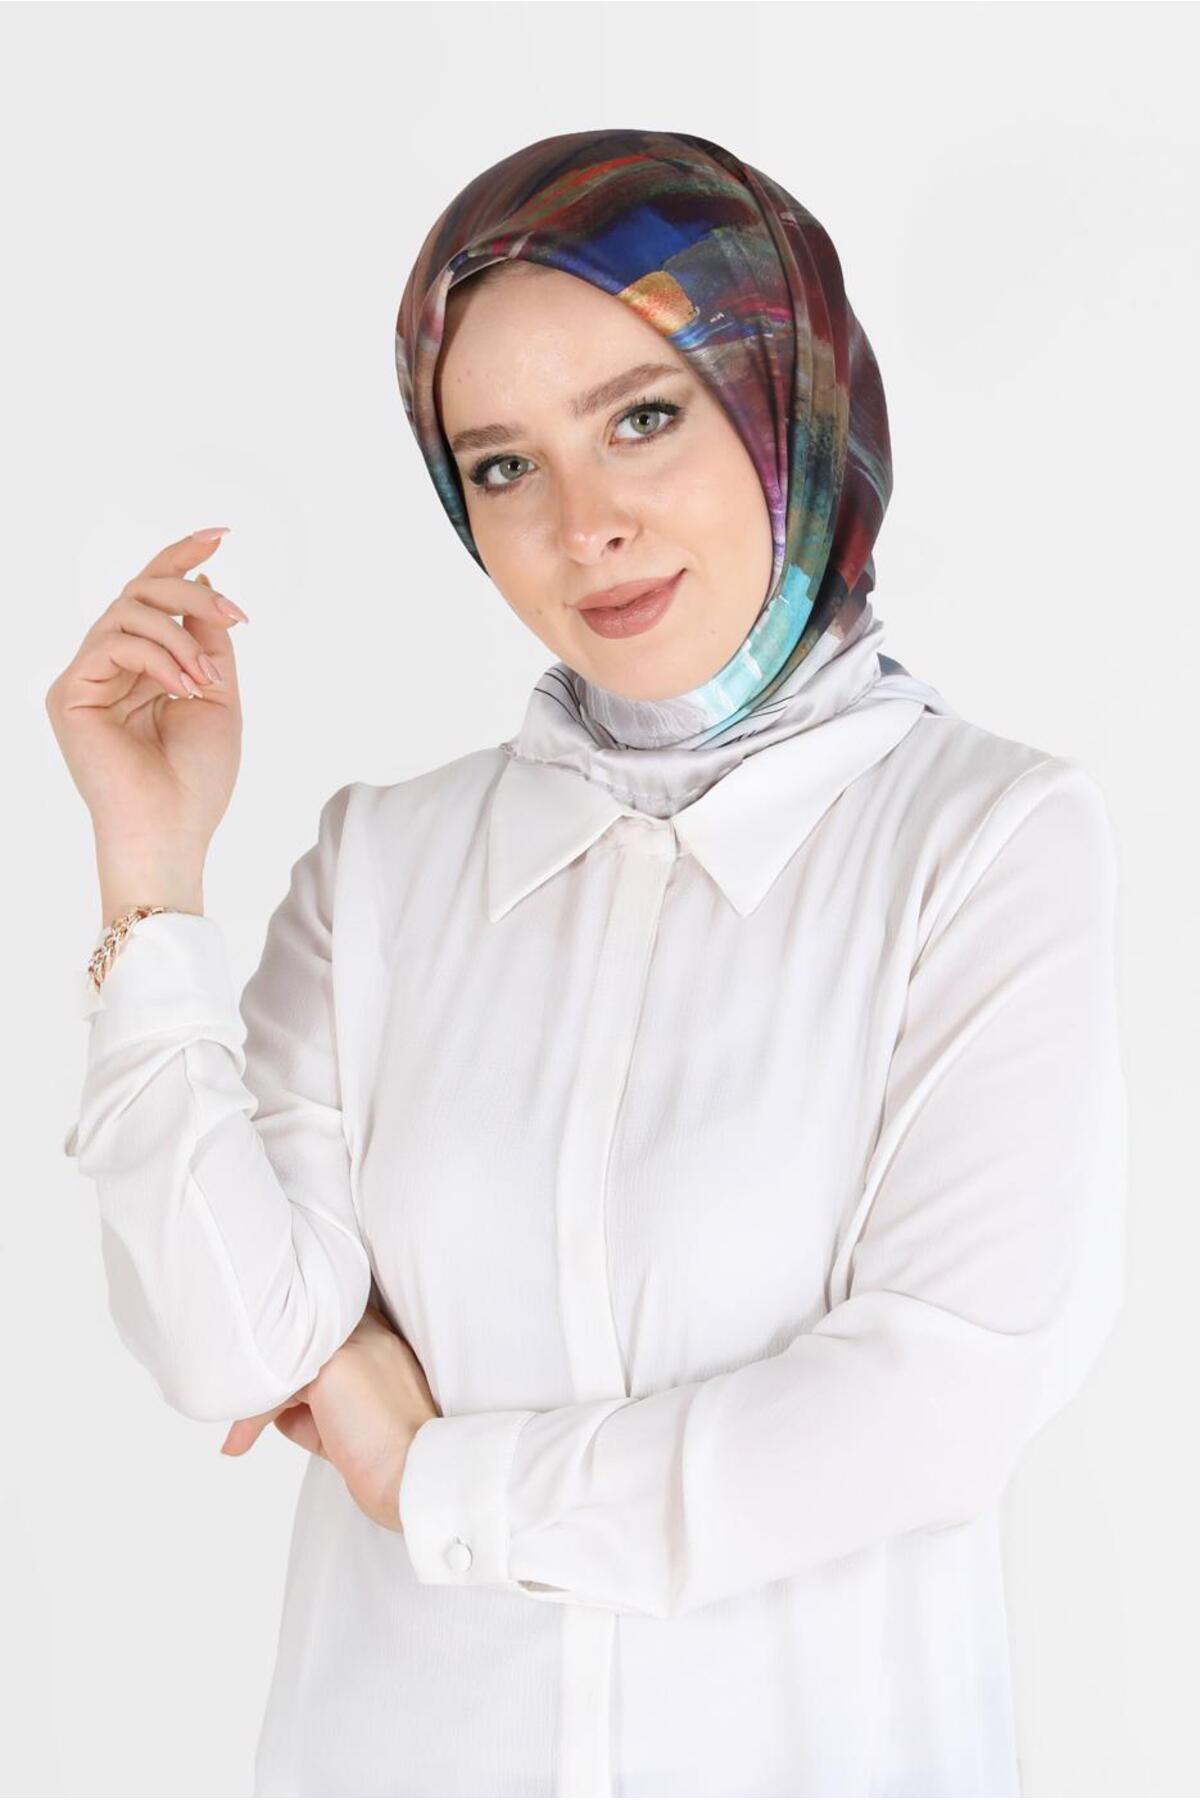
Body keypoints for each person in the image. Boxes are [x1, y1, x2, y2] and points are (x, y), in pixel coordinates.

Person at [47, 129, 1127, 1798]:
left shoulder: (981, 839)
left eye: (642, 418)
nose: (585, 526)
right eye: (502, 466)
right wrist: (151, 872)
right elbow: (234, 1345)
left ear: (783, 397)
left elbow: (934, 1401)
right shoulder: (387, 863)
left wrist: (434, 1482)